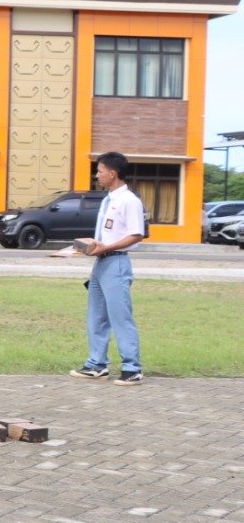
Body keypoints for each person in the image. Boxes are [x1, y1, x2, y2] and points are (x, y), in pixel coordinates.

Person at [70, 151, 146, 385]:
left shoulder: (129, 201)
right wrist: (90, 246)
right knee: (96, 316)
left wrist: (106, 247)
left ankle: (132, 369)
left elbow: (136, 234)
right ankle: (96, 364)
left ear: (113, 173)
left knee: (121, 317)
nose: (97, 175)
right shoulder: (108, 199)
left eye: (100, 171)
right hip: (101, 263)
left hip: (116, 262)